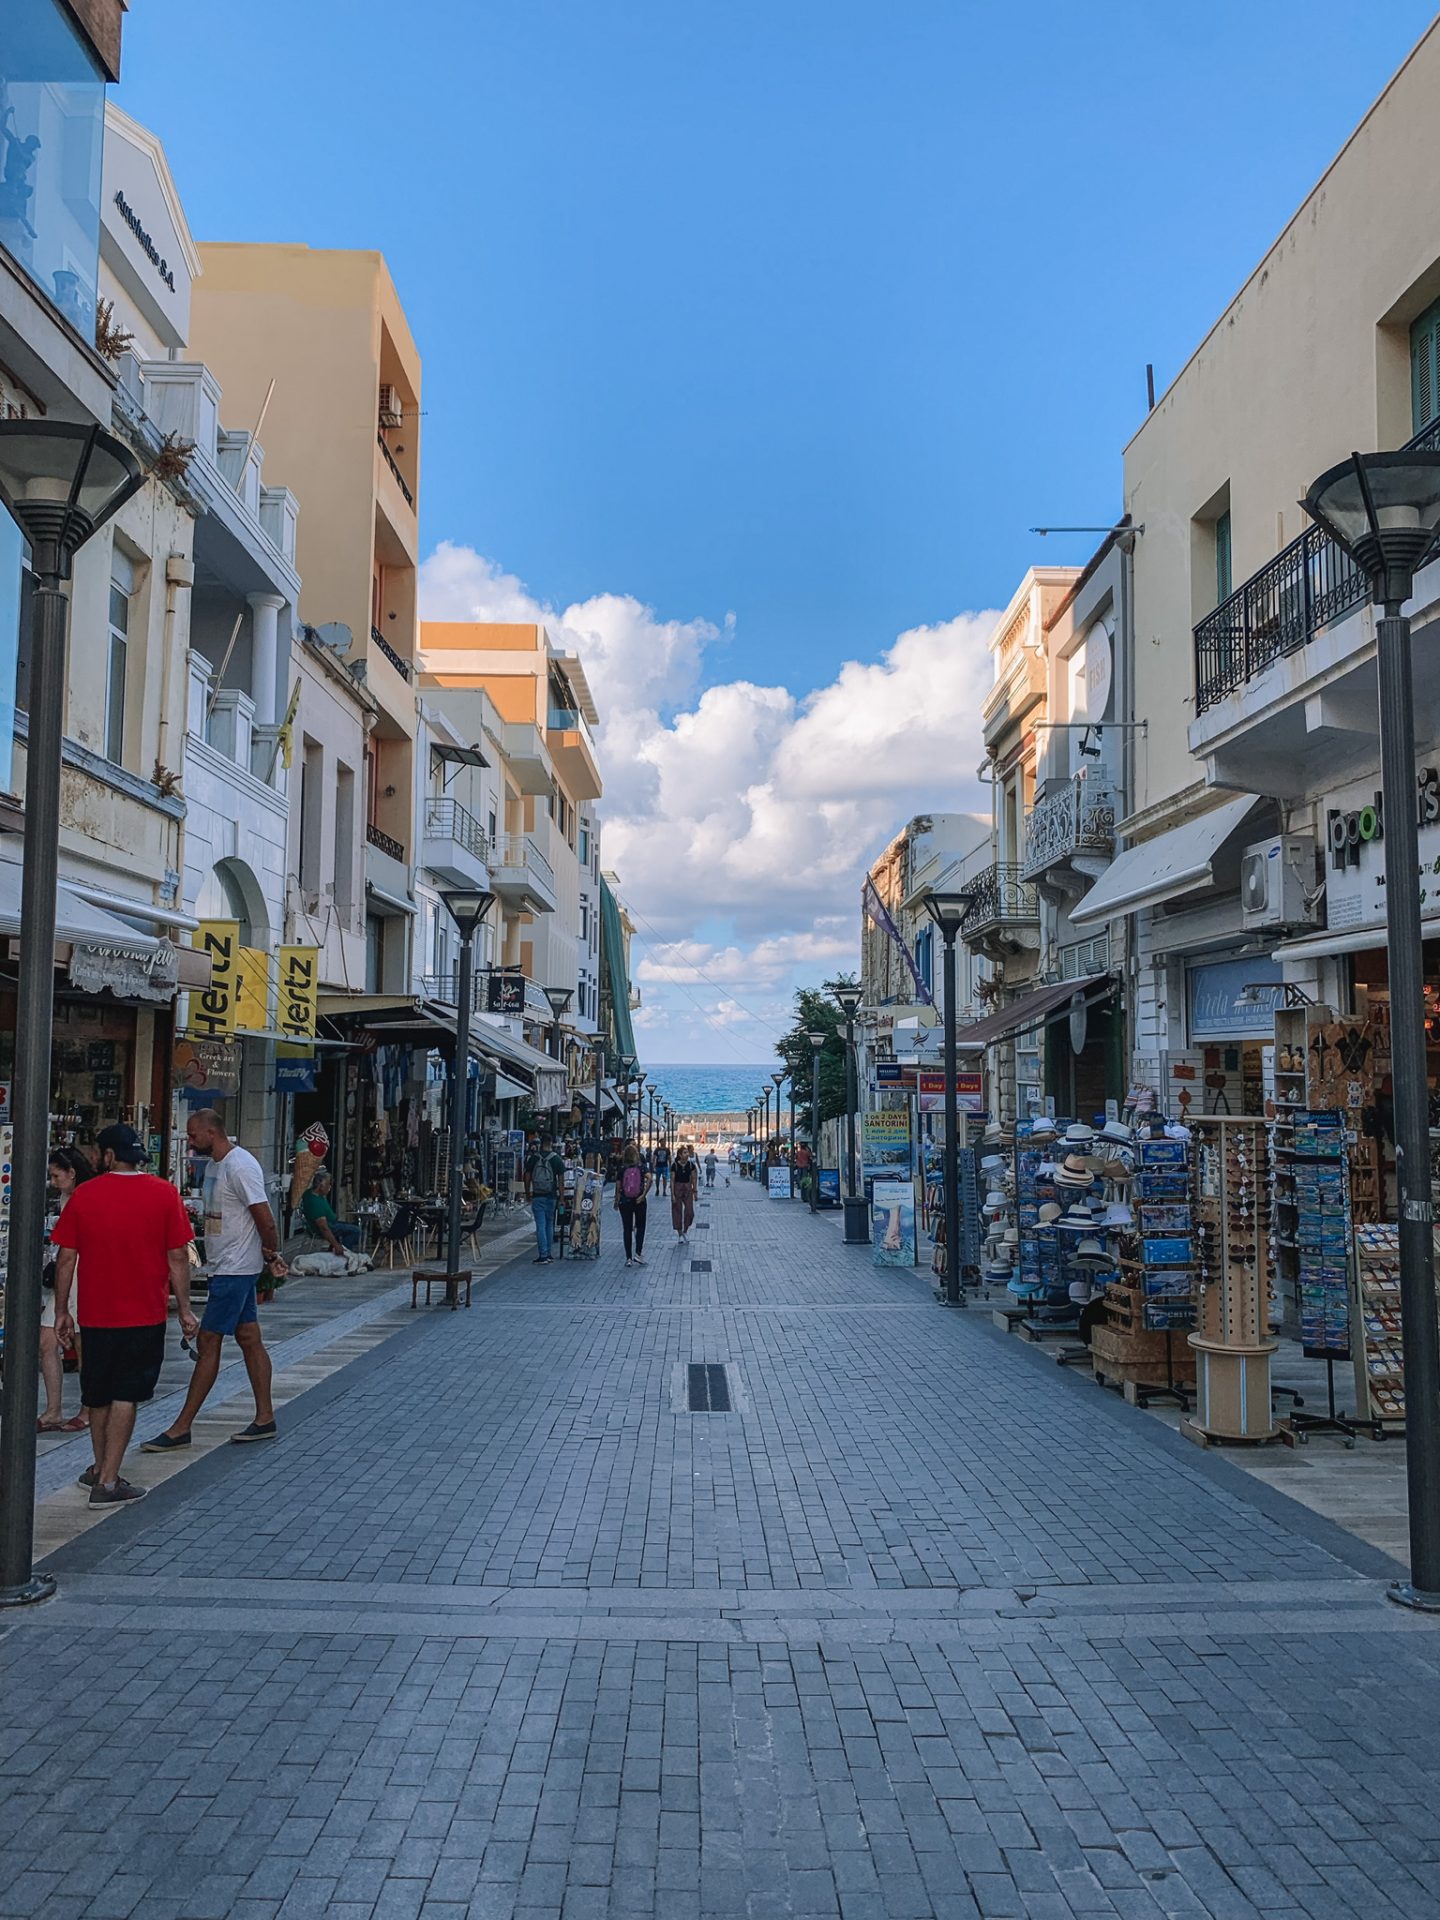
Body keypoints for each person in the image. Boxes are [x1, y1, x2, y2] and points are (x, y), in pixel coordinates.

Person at [51, 1123, 198, 1504]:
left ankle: (101, 1468)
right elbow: (178, 1256)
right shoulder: (164, 1194)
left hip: (96, 1313)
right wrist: (184, 1307)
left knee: (97, 1394)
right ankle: (110, 1480)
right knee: (126, 1394)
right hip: (144, 1313)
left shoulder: (85, 1195)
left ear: (110, 1156)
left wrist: (63, 1310)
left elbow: (66, 1257)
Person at [142, 1109, 286, 1453]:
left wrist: (271, 1254)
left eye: (193, 1136)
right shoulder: (215, 1166)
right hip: (225, 1263)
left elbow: (264, 1217)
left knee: (209, 1341)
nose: (190, 1142)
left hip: (236, 1267)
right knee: (249, 1336)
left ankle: (182, 1426)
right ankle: (265, 1417)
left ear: (211, 1131)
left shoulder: (240, 1165)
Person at [37, 1149, 96, 1432]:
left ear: (72, 1173)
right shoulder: (65, 1198)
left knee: (84, 1343)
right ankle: (53, 1409)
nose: (53, 1181)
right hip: (65, 1275)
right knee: (46, 1341)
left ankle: (87, 1408)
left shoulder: (87, 1198)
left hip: (82, 1275)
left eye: (56, 1175)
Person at [524, 1132, 566, 1263]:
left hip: (537, 1195)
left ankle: (542, 1255)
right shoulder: (557, 1159)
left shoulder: (534, 1158)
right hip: (551, 1196)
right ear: (552, 1143)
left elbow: (527, 1176)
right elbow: (561, 1180)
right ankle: (548, 1254)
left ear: (541, 1144)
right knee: (549, 1224)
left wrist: (527, 1192)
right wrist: (562, 1198)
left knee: (540, 1225)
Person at [299, 1168, 360, 1255]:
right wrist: (336, 1245)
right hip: (327, 1226)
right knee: (356, 1230)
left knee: (351, 1225)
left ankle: (334, 1250)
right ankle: (344, 1251)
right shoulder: (315, 1202)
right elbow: (324, 1228)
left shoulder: (314, 1194)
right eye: (328, 1185)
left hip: (331, 1222)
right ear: (320, 1186)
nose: (330, 1187)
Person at [614, 1144, 651, 1267]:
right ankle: (638, 1254)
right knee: (640, 1227)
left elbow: (618, 1186)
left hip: (625, 1201)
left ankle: (628, 1258)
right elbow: (650, 1179)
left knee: (627, 1228)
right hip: (639, 1200)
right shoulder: (641, 1167)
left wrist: (616, 1200)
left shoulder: (622, 1168)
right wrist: (644, 1194)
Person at [670, 1144, 698, 1243]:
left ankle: (685, 1230)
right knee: (677, 1211)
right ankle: (680, 1233)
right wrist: (672, 1194)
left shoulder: (691, 1165)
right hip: (677, 1187)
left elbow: (694, 1178)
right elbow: (672, 1180)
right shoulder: (675, 1165)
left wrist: (695, 1191)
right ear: (680, 1155)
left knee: (689, 1212)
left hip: (687, 1188)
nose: (687, 1154)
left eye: (687, 1152)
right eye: (685, 1153)